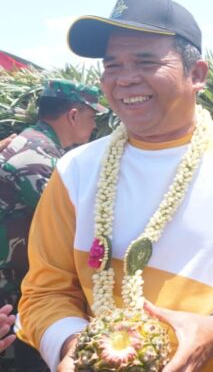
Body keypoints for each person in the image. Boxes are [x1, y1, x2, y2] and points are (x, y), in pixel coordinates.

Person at [17, 0, 213, 371]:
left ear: (197, 74)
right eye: (112, 65)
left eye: (144, 61)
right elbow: (45, 290)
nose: (124, 80)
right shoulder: (75, 171)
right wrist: (73, 347)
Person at [1, 78, 105, 371]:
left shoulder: (33, 144)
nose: (94, 125)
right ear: (73, 115)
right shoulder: (38, 160)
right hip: (10, 297)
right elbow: (81, 224)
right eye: (92, 116)